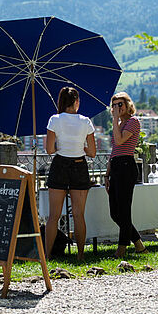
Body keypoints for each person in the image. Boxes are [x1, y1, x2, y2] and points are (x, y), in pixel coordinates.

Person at [44, 87, 96, 260]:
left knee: (53, 216)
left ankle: (47, 255)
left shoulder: (54, 119)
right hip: (80, 166)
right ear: (76, 102)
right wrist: (80, 146)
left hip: (59, 165)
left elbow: (50, 150)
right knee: (79, 214)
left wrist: (62, 146)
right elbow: (93, 152)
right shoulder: (86, 121)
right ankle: (80, 255)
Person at [105, 92, 147, 258]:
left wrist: (115, 121)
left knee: (123, 209)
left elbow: (121, 141)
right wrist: (107, 173)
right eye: (114, 105)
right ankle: (139, 245)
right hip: (116, 165)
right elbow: (114, 148)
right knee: (115, 212)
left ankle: (122, 248)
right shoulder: (119, 123)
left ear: (128, 105)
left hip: (126, 166)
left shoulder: (133, 122)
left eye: (120, 104)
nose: (117, 108)